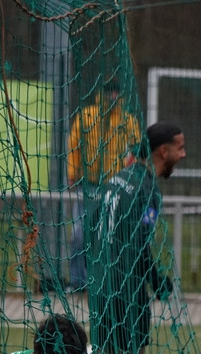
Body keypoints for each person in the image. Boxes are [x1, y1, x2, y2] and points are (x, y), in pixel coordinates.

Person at [87, 122, 185, 354]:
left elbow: (92, 225)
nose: (183, 154)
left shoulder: (115, 179)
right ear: (163, 151)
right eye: (180, 148)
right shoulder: (147, 189)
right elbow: (140, 244)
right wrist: (159, 283)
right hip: (126, 287)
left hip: (100, 281)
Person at [66, 82, 141, 292]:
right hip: (88, 185)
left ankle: (109, 281)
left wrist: (130, 175)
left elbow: (136, 151)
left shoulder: (128, 121)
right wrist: (72, 173)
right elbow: (74, 146)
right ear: (101, 94)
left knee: (112, 236)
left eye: (116, 92)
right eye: (109, 92)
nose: (113, 96)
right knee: (80, 234)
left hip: (116, 187)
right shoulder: (86, 116)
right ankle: (78, 281)